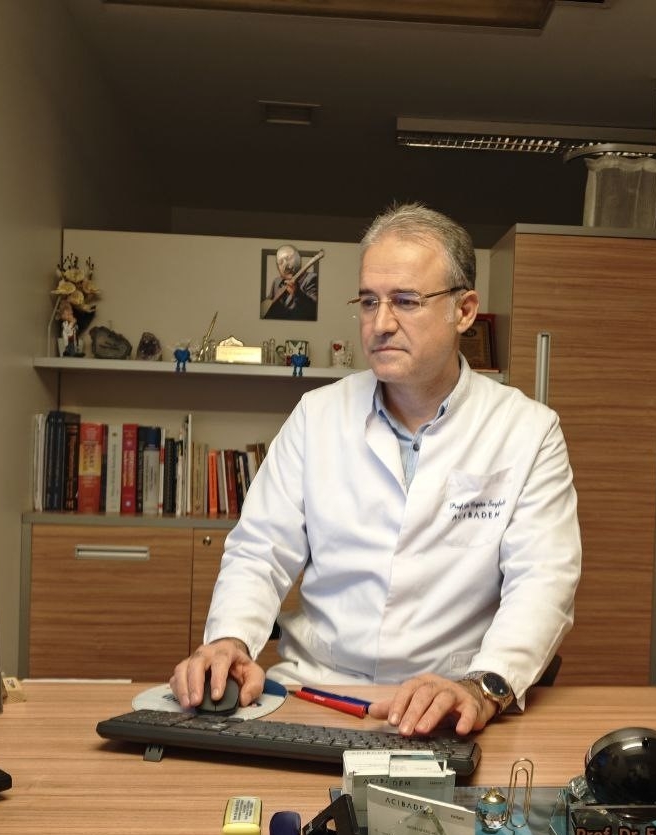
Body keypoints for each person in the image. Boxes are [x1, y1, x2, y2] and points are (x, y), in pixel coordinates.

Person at [171, 203, 580, 736]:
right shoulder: (316, 416)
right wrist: (229, 640)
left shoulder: (527, 430)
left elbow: (543, 581)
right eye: (369, 302)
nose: (381, 324)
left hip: (450, 701)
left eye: (406, 301)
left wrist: (486, 686)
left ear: (463, 310)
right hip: (318, 691)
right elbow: (260, 550)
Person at [262, 244, 318, 320]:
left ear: (299, 259)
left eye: (288, 258)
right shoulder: (276, 282)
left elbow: (314, 310)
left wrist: (297, 293)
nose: (285, 265)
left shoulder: (311, 278)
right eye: (280, 262)